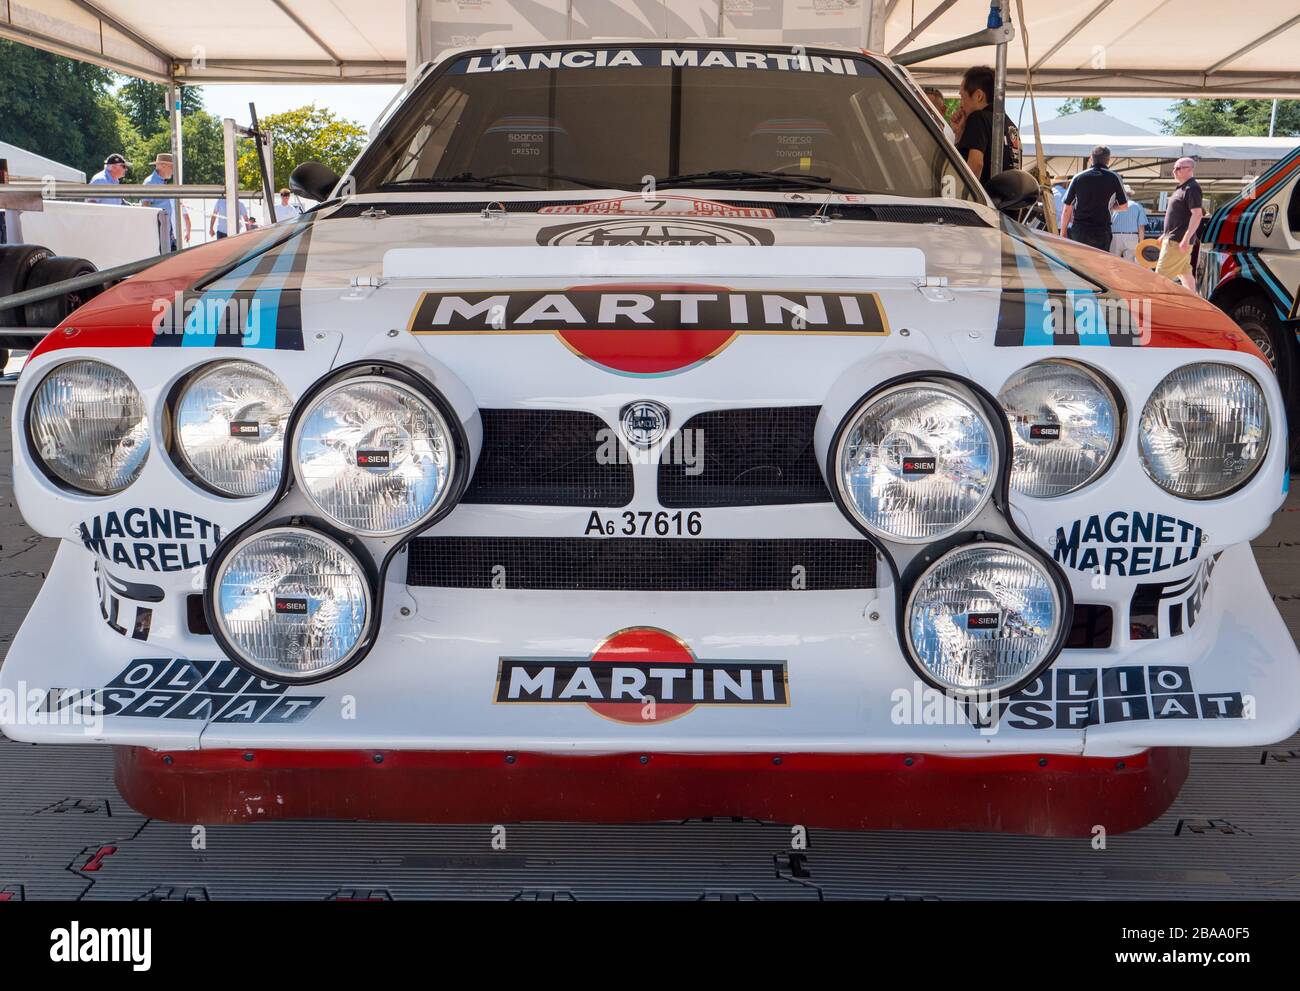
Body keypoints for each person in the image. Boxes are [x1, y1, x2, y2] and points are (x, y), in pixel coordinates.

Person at [951, 65, 1015, 189]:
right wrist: (960, 132)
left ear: (978, 95)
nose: (961, 105)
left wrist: (963, 194)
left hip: (984, 203)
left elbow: (975, 165)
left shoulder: (978, 118)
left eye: (962, 97)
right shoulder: (1010, 125)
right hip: (1007, 204)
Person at [1058, 146, 1128, 251]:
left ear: (1091, 159)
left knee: (1078, 263)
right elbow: (1124, 206)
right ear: (1108, 160)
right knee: (1099, 264)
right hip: (1102, 230)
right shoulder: (1114, 177)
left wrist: (1062, 233)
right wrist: (1110, 207)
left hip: (1080, 230)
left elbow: (1067, 208)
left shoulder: (1078, 177)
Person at [1156, 157, 1204, 293]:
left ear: (1189, 169)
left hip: (1177, 241)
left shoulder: (1192, 188)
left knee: (1160, 275)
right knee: (1184, 272)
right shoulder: (1184, 188)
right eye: (1174, 168)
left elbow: (1197, 214)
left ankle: (1158, 306)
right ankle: (1194, 304)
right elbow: (1180, 216)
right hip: (1175, 238)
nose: (1174, 171)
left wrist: (1186, 238)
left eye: (1178, 168)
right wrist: (1164, 235)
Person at [141, 153, 190, 252]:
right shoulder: (151, 183)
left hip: (164, 228)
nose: (173, 171)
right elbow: (145, 208)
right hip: (157, 230)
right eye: (172, 167)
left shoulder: (159, 181)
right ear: (163, 166)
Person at [1109, 185, 1147, 261]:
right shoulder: (1137, 206)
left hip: (1115, 236)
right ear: (1130, 195)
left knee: (1113, 262)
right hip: (1132, 237)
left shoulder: (1113, 207)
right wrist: (1141, 242)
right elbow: (1141, 227)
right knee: (1130, 263)